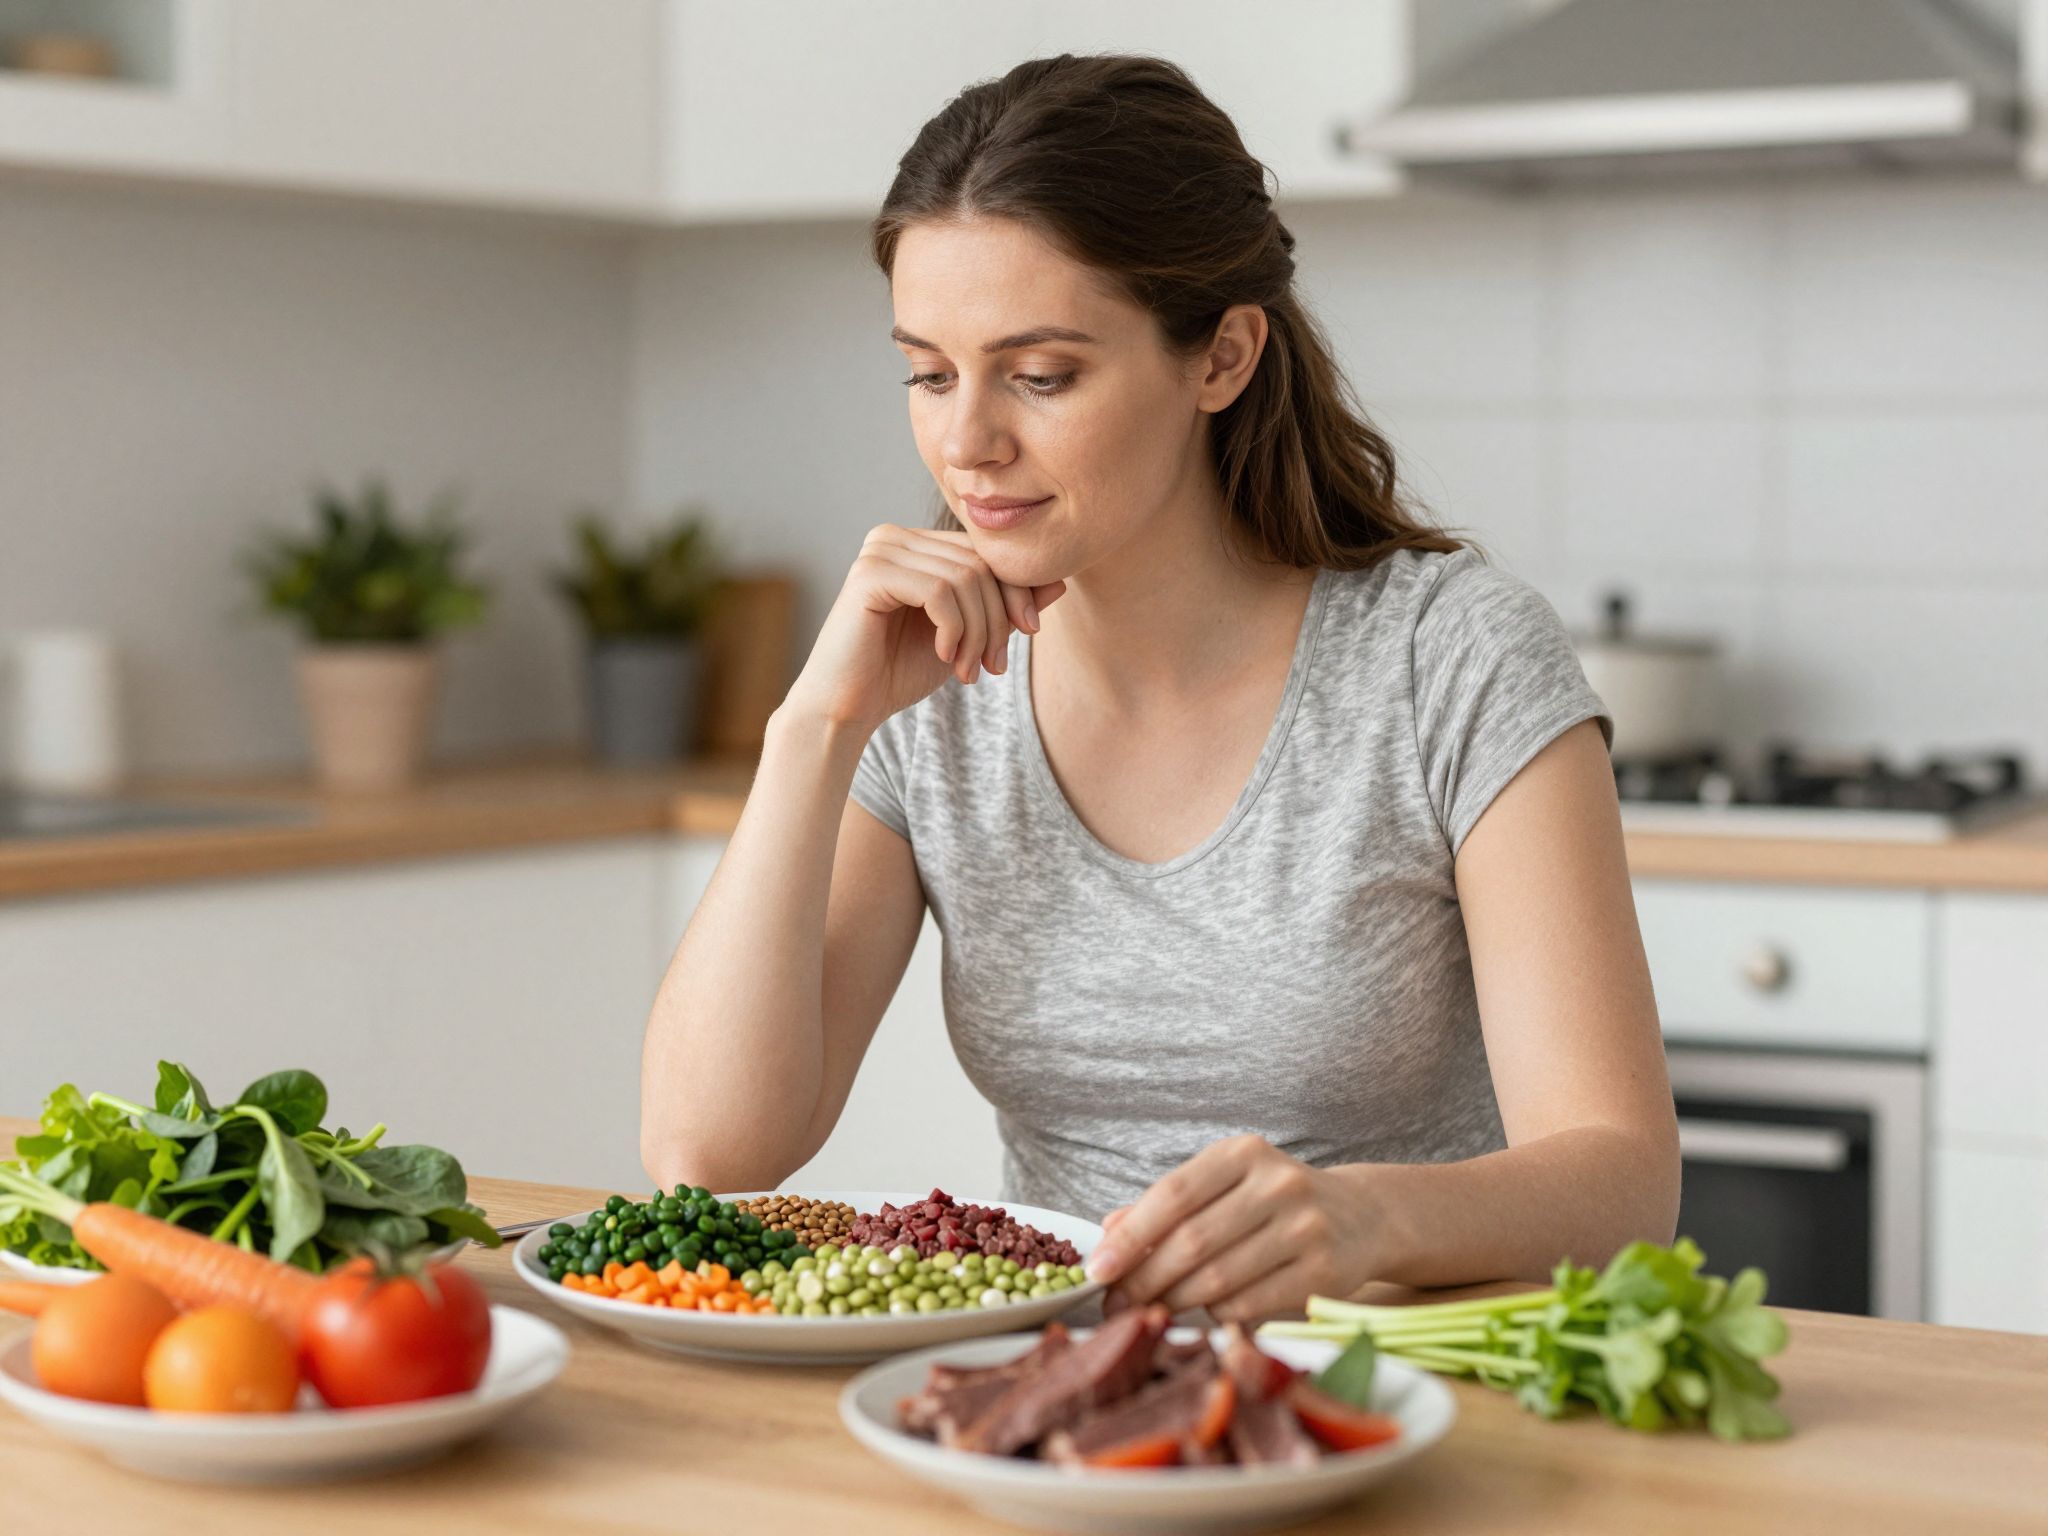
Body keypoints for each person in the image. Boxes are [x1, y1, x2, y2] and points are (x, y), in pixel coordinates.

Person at [640, 53, 1679, 1323]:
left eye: (1040, 375)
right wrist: (814, 728)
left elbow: (1623, 1181)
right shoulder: (931, 690)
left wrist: (1355, 1218)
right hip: (1058, 1401)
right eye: (926, 371)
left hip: (1393, 1393)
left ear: (1221, 358)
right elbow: (707, 1154)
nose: (965, 442)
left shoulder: (1446, 659)